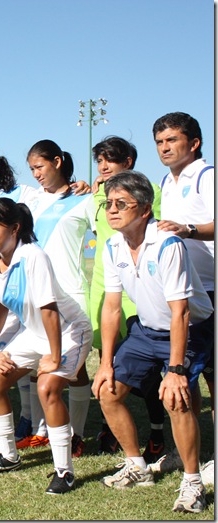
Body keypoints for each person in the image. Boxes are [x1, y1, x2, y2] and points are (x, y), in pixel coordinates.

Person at [93, 171, 213, 513]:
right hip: (146, 331)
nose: (112, 210)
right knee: (107, 389)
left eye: (121, 204)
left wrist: (175, 370)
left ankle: (192, 483)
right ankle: (137, 466)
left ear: (145, 209)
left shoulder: (168, 244)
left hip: (189, 330)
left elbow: (182, 313)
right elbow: (112, 308)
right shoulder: (113, 245)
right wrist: (104, 364)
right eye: (108, 204)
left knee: (177, 398)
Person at [0, 198, 91, 496]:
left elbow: (49, 309)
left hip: (68, 331)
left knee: (47, 388)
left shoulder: (33, 255)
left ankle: (64, 472)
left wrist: (52, 355)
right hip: (34, 333)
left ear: (15, 228)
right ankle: (8, 456)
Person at [89, 137, 165, 461]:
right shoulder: (97, 197)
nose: (104, 167)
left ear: (129, 162)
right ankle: (111, 428)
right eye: (100, 161)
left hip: (139, 294)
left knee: (143, 374)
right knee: (110, 364)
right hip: (104, 292)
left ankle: (158, 433)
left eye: (111, 160)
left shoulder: (150, 195)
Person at [153, 112, 214, 481]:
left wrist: (188, 230)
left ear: (193, 143)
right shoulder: (166, 180)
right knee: (184, 377)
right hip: (182, 291)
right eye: (160, 142)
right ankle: (185, 450)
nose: (164, 148)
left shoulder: (207, 176)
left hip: (211, 288)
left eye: (172, 140)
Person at [24, 139, 94, 457]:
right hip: (38, 296)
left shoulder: (85, 198)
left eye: (39, 166)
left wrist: (94, 185)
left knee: (74, 370)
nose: (36, 174)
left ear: (56, 161)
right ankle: (45, 430)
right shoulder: (33, 200)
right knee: (41, 366)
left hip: (72, 294)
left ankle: (76, 433)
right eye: (32, 169)